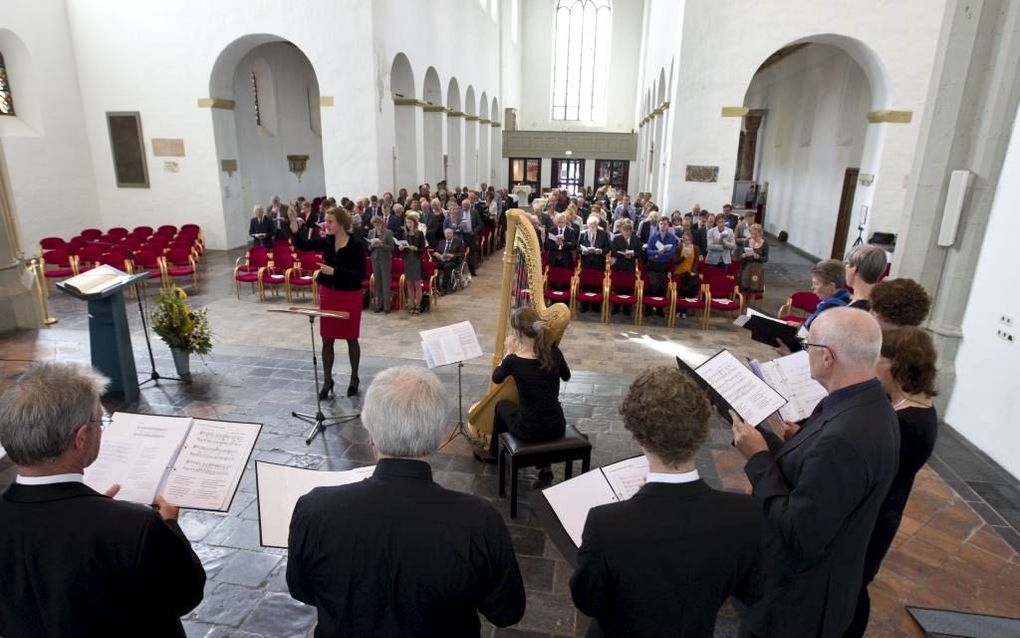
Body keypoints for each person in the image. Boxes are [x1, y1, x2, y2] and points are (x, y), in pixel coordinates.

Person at [287, 367, 526, 637]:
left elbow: (302, 590)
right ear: (438, 438)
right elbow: (507, 611)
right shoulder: (478, 520)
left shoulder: (315, 509)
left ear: (371, 435)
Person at [0, 362, 206, 637]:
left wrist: (96, 510)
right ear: (81, 438)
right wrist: (169, 525)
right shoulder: (134, 526)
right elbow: (185, 595)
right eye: (99, 421)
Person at [730, 308, 899, 637]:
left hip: (798, 603)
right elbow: (814, 478)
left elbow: (801, 532)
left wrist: (758, 459)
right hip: (819, 585)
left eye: (808, 347)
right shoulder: (869, 403)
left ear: (827, 358)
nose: (804, 354)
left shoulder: (844, 438)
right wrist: (772, 441)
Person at [571, 366, 763, 638]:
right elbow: (751, 590)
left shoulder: (606, 524)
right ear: (701, 430)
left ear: (638, 435)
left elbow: (587, 601)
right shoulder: (746, 515)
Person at [845, 327, 939, 638]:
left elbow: (871, 469)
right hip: (877, 508)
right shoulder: (902, 406)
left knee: (852, 586)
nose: (872, 365)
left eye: (878, 358)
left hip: (876, 516)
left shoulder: (910, 424)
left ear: (896, 364)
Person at [479, 307, 571, 484]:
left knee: (501, 406)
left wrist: (508, 351)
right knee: (538, 409)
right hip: (557, 425)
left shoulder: (514, 360)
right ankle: (545, 467)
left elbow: (496, 378)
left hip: (528, 429)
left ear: (518, 333)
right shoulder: (554, 353)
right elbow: (566, 376)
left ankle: (495, 455)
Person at [289, 206, 367, 397]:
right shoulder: (327, 241)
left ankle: (354, 378)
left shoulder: (356, 244)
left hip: (349, 295)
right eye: (326, 220)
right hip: (329, 294)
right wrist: (293, 225)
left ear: (341, 223)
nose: (326, 224)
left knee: (351, 338)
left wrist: (335, 272)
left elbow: (360, 275)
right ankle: (327, 380)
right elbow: (304, 245)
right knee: (327, 339)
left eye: (330, 221)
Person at [802, 258, 850, 328]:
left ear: (831, 286)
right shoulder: (848, 298)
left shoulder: (829, 309)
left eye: (816, 283)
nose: (812, 287)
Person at [645, 217, 678, 315]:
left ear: (668, 225)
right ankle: (649, 308)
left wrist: (659, 255)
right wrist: (657, 252)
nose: (663, 226)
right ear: (659, 225)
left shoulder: (672, 237)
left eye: (665, 224)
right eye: (661, 224)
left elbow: (672, 253)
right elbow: (648, 251)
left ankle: (660, 309)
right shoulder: (653, 236)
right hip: (653, 264)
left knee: (662, 286)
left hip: (664, 264)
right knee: (652, 285)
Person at [843, 244, 888, 310]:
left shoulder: (854, 311)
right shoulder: (881, 304)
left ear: (854, 270)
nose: (845, 268)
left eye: (846, 263)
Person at [401, 212, 426, 315]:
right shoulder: (405, 234)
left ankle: (418, 305)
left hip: (416, 260)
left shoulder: (419, 234)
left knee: (417, 284)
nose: (408, 224)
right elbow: (403, 248)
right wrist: (401, 248)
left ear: (414, 223)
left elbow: (423, 249)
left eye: (410, 222)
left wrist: (416, 248)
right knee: (409, 284)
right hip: (408, 260)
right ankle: (411, 304)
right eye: (407, 222)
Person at [738, 223, 769, 297]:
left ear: (760, 233)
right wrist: (744, 255)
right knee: (744, 287)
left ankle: (752, 307)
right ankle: (744, 305)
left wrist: (758, 257)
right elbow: (741, 255)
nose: (753, 236)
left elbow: (766, 259)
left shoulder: (765, 244)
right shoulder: (747, 241)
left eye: (755, 234)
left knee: (754, 288)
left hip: (757, 268)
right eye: (751, 233)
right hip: (747, 267)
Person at [435, 226, 465, 294]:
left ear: (452, 234)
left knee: (447, 266)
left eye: (449, 233)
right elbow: (438, 251)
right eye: (446, 233)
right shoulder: (442, 241)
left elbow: (462, 253)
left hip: (453, 261)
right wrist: (437, 254)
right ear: (444, 234)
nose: (448, 235)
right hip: (442, 260)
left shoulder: (458, 242)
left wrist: (453, 255)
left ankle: (444, 287)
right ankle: (436, 286)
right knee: (434, 265)